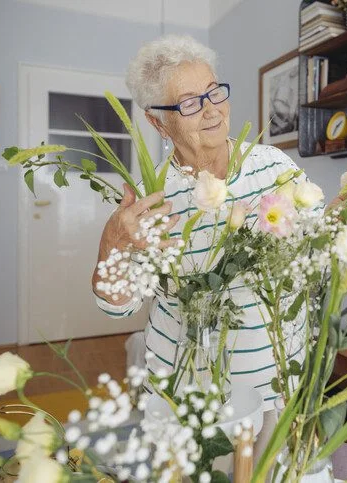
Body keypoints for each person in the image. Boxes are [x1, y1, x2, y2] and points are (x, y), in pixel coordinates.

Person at [91, 34, 320, 461]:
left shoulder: (273, 166)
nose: (212, 108)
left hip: (273, 381)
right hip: (184, 390)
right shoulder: (149, 196)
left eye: (214, 91)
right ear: (159, 123)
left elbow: (315, 246)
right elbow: (116, 306)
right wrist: (113, 243)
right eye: (191, 101)